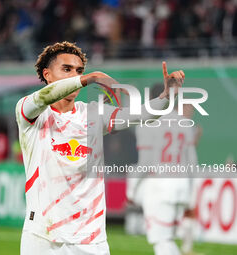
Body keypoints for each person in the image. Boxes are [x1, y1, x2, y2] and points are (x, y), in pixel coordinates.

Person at [16, 41, 185, 255]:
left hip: (91, 240)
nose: (74, 76)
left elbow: (142, 115)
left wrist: (167, 97)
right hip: (43, 237)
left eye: (78, 71)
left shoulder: (94, 114)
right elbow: (44, 97)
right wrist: (91, 78)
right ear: (47, 74)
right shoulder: (30, 112)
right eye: (66, 69)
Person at [134, 83, 200, 255]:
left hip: (159, 186)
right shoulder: (185, 122)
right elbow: (191, 161)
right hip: (181, 185)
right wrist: (191, 191)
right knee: (167, 237)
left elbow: (145, 162)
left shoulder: (147, 122)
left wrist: (133, 190)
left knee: (160, 239)